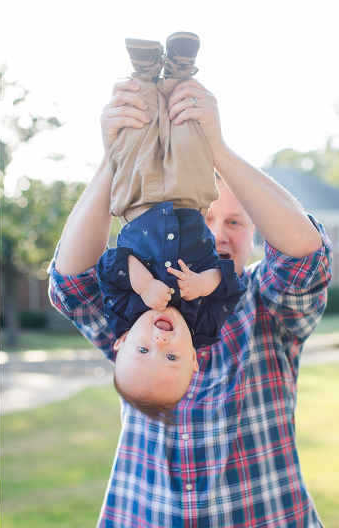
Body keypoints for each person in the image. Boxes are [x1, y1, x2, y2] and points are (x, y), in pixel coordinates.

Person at [49, 78, 332, 528]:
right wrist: (111, 160)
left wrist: (214, 149)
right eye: (205, 217)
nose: (214, 234)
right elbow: (70, 284)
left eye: (236, 222)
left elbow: (306, 260)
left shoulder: (265, 304)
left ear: (256, 233)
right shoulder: (136, 317)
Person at [99, 32, 246, 423]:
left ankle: (143, 77)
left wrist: (144, 285)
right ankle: (181, 74)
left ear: (124, 341)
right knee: (188, 130)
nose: (159, 341)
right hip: (191, 198)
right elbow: (231, 285)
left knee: (136, 134)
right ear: (195, 361)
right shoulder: (206, 324)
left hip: (135, 200)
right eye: (171, 356)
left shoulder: (124, 311)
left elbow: (112, 264)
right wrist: (205, 284)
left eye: (143, 350)